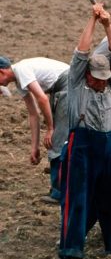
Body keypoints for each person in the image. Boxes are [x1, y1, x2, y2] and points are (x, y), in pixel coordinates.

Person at [57, 4, 111, 259]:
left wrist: (108, 24)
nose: (101, 82)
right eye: (97, 78)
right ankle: (68, 254)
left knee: (110, 199)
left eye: (104, 78)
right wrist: (92, 19)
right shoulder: (76, 83)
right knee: (77, 201)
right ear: (87, 74)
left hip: (109, 146)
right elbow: (80, 53)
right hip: (82, 148)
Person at [0, 56, 69, 204]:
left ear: (1, 72)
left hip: (68, 84)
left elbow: (42, 99)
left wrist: (51, 128)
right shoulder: (19, 80)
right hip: (61, 87)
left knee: (57, 140)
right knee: (60, 139)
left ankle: (59, 192)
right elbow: (33, 114)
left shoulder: (22, 70)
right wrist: (34, 148)